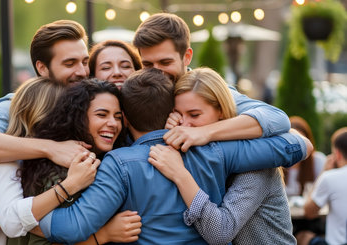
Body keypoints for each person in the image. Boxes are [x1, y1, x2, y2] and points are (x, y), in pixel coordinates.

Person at [38, 68, 312, 244]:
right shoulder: (220, 150)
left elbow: (72, 227)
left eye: (195, 115)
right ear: (172, 109)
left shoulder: (119, 163)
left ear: (126, 119)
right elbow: (295, 146)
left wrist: (23, 217)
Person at [0, 20, 92, 224]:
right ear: (42, 68)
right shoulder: (21, 104)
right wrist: (50, 148)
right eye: (70, 63)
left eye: (85, 61)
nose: (82, 71)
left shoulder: (97, 101)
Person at [148, 67, 296, 244]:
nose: (184, 124)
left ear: (221, 111)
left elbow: (219, 232)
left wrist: (180, 174)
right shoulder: (199, 150)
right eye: (179, 114)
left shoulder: (255, 161)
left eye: (194, 114)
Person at [0, 77, 99, 244]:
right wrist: (70, 185)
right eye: (63, 117)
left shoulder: (24, 157)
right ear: (41, 118)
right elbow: (12, 223)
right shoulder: (4, 163)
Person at [133, 13, 292, 153]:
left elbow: (276, 118)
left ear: (187, 56)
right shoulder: (137, 93)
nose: (157, 73)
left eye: (165, 62)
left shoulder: (204, 89)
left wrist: (203, 132)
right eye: (147, 65)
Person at [13, 79, 141, 244]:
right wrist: (103, 235)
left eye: (117, 117)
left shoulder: (103, 161)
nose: (113, 124)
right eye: (101, 115)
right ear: (78, 117)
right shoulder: (62, 170)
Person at [299, 127, 347, 245]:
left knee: (302, 236)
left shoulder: (330, 177)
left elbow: (309, 212)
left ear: (337, 154)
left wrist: (323, 173)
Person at [286, 116, 327, 196]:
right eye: (293, 140)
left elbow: (322, 191)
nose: (297, 146)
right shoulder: (277, 162)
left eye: (301, 141)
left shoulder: (317, 160)